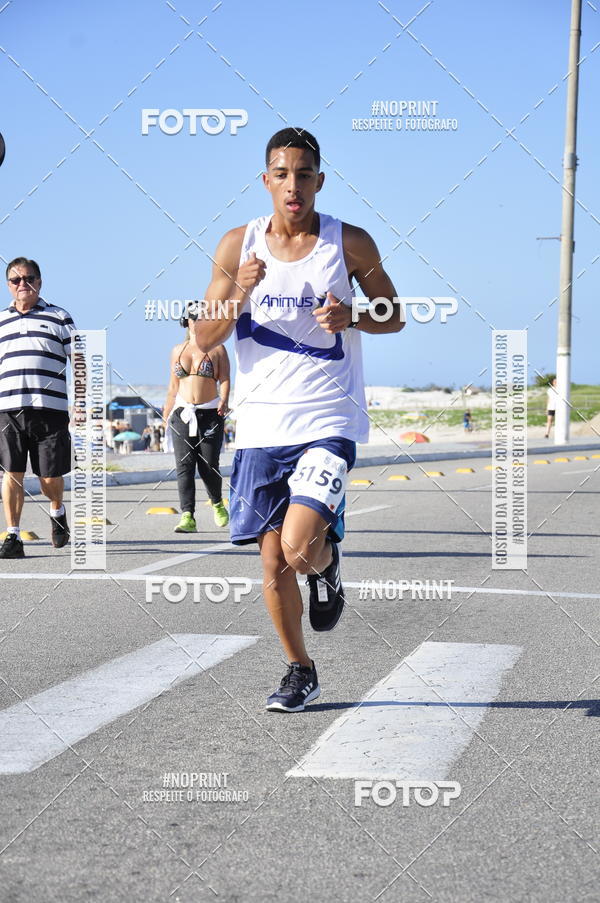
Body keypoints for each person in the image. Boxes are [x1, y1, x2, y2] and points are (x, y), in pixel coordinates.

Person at [194, 128, 404, 712]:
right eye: (282, 175)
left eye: (304, 175)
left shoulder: (348, 242)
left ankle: (325, 565)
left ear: (320, 180)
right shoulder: (237, 245)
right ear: (266, 180)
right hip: (261, 426)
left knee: (298, 550)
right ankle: (299, 669)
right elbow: (204, 337)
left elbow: (394, 315)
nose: (294, 186)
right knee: (272, 560)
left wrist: (353, 315)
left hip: (328, 421)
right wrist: (238, 291)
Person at [0, 257, 77, 558]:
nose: (23, 284)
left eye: (29, 278)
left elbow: (80, 362)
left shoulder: (59, 317)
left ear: (39, 282)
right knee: (11, 474)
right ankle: (13, 536)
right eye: (16, 280)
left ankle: (57, 510)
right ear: (8, 285)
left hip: (50, 410)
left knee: (49, 478)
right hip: (8, 410)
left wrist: (82, 403)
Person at [163, 315, 230, 534]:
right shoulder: (177, 350)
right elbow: (173, 386)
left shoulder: (218, 349)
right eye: (193, 318)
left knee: (208, 464)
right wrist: (166, 413)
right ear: (187, 322)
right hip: (182, 414)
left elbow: (225, 378)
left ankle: (217, 502)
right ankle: (187, 515)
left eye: (201, 317)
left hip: (210, 413)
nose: (197, 321)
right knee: (184, 465)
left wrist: (224, 400)